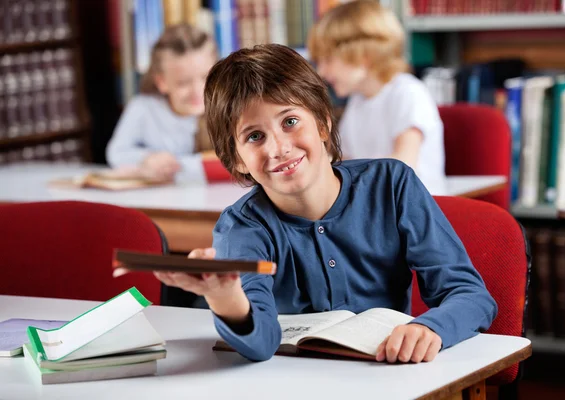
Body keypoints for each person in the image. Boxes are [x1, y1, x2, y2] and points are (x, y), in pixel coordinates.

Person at [130, 44, 497, 364]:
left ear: (322, 123)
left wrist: (429, 328)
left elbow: (470, 296)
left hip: (390, 378)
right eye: (254, 136)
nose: (278, 148)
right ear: (237, 159)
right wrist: (226, 296)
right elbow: (260, 344)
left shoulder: (392, 184)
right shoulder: (240, 227)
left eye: (290, 121)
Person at [307, 0, 445, 192]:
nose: (321, 72)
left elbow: (403, 165)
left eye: (328, 60)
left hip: (413, 209)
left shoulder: (407, 92)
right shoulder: (358, 101)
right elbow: (346, 161)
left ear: (364, 55)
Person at [105, 23, 224, 182]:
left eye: (205, 77)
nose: (197, 90)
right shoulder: (142, 108)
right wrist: (147, 158)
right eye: (183, 83)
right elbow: (115, 153)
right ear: (162, 82)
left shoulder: (226, 107)